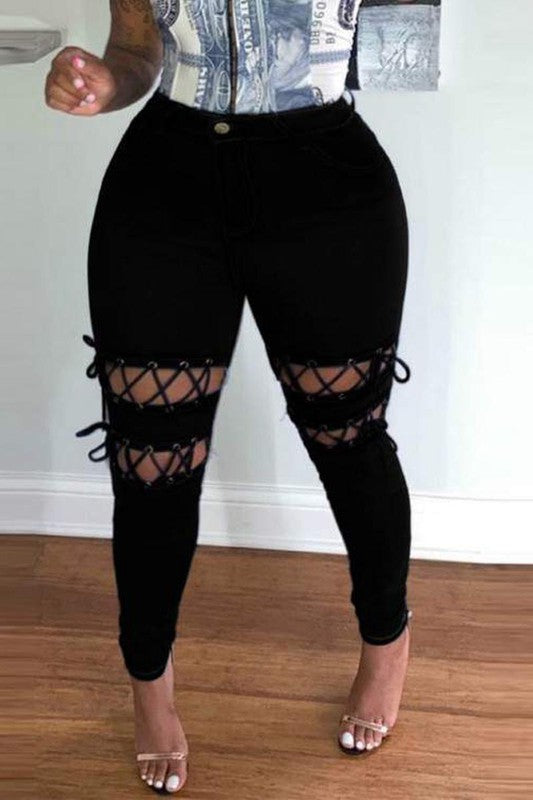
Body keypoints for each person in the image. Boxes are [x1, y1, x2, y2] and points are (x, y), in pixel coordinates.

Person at [45, 0, 414, 793]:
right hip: (163, 189)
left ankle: (386, 645)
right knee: (150, 463)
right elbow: (137, 50)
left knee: (348, 441)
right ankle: (149, 685)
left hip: (327, 186)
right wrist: (104, 82)